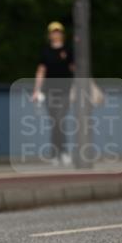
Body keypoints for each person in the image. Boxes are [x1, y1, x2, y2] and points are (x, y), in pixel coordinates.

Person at [31, 21, 75, 166]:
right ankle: (56, 153)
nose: (56, 34)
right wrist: (36, 91)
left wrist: (77, 88)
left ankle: (63, 152)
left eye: (58, 32)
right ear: (49, 35)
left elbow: (75, 69)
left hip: (65, 91)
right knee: (54, 122)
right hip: (49, 91)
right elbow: (41, 71)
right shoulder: (46, 51)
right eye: (53, 32)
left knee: (59, 119)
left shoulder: (68, 50)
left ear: (62, 34)